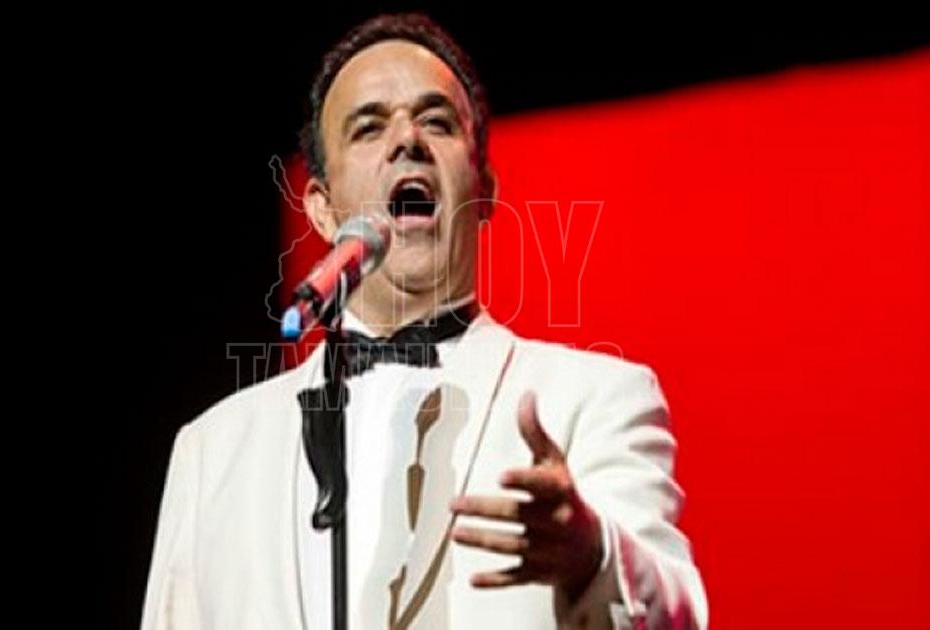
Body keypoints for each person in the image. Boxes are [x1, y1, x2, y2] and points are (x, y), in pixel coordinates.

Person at [141, 13, 707, 629]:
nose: (407, 139)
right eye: (368, 127)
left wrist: (593, 558)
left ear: (484, 189)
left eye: (436, 121)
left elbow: (675, 613)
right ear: (323, 210)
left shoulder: (593, 399)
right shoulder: (212, 451)